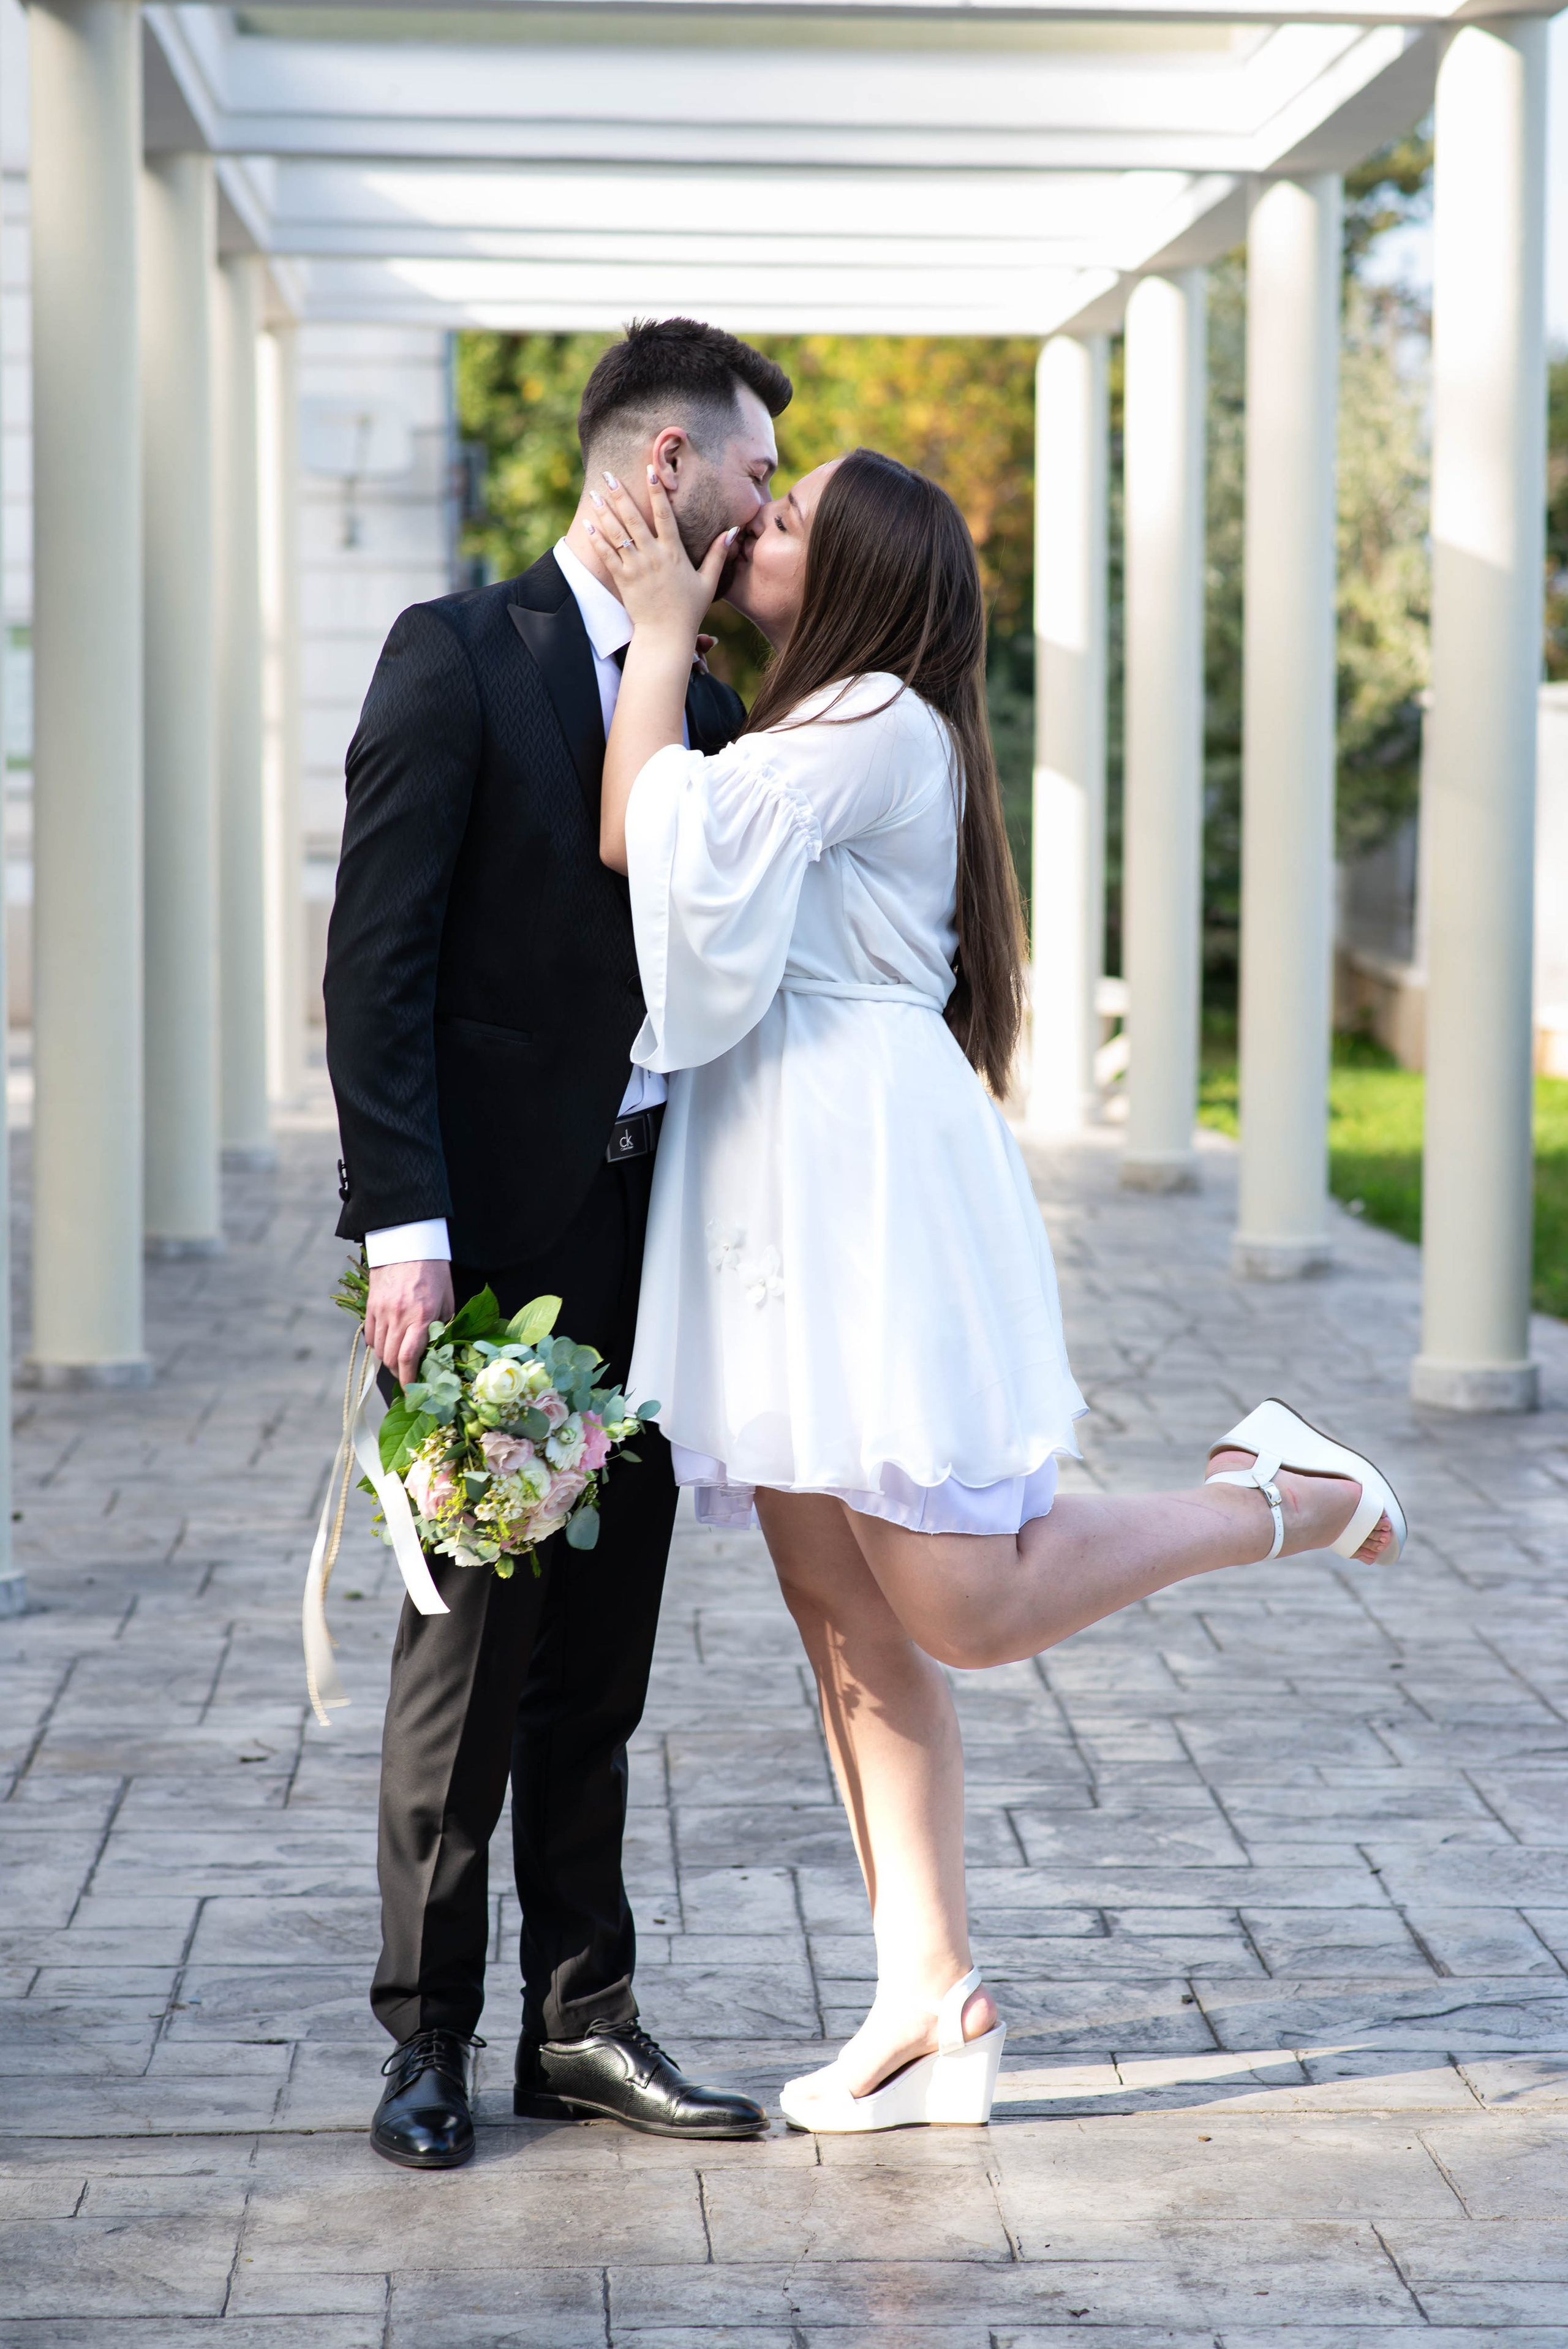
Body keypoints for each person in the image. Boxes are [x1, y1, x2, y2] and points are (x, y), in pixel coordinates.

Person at [587, 446, 1406, 2135]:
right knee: (842, 1614)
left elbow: (645, 835)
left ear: (867, 574)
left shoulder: (876, 714)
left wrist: (659, 629)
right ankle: (927, 1993)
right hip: (785, 1182)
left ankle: (1282, 1493)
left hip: (860, 1186)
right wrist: (678, 627)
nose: (764, 522)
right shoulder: (841, 722)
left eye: (794, 514)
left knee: (960, 1599)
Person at [323, 319, 792, 2169]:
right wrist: (403, 1235)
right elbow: (377, 972)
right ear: (666, 469)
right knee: (469, 1662)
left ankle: (580, 2018)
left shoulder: (722, 713)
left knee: (603, 1660)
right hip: (488, 1255)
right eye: (754, 473)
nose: (767, 512)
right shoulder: (455, 654)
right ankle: (426, 2035)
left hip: (654, 1254)